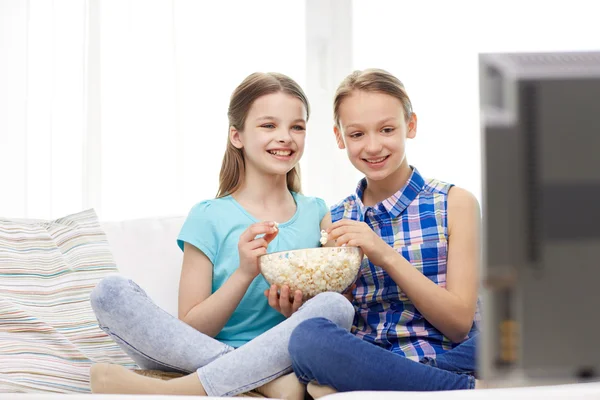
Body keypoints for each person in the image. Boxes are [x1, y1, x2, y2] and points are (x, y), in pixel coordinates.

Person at [88, 72, 354, 399]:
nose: (285, 137)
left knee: (337, 307)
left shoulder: (318, 213)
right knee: (110, 293)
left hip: (283, 357)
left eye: (296, 127)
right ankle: (262, 382)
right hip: (199, 353)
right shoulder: (208, 216)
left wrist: (299, 310)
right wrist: (244, 273)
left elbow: (321, 323)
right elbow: (192, 330)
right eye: (269, 125)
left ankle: (187, 389)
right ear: (237, 136)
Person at [288, 68, 483, 396]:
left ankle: (417, 381)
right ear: (339, 137)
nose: (373, 146)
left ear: (411, 126)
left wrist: (384, 255)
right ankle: (451, 388)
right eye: (357, 134)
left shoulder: (455, 203)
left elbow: (459, 324)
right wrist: (303, 301)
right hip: (374, 358)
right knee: (307, 338)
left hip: (451, 353)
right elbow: (342, 316)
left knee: (526, 320)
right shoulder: (334, 221)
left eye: (387, 129)